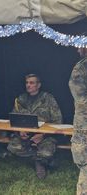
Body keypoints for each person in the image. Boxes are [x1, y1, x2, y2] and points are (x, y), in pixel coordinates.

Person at [7, 74, 62, 179]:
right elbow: (14, 118)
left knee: (46, 152)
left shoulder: (48, 98)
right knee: (13, 148)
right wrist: (20, 131)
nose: (28, 85)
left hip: (45, 135)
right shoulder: (20, 99)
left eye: (32, 83)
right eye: (27, 83)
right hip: (26, 135)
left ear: (39, 85)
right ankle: (39, 159)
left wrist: (43, 135)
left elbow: (58, 120)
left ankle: (42, 160)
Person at [69, 44, 87, 195]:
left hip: (84, 125)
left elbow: (81, 101)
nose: (78, 50)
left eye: (80, 46)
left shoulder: (80, 68)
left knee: (83, 161)